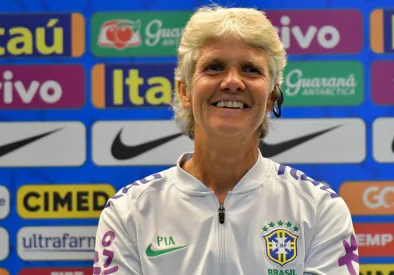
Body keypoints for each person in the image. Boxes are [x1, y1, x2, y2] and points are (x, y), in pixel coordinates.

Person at [93, 5, 359, 275]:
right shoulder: (129, 211)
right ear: (184, 91)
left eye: (250, 70)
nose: (232, 82)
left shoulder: (319, 208)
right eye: (215, 67)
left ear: (270, 97)